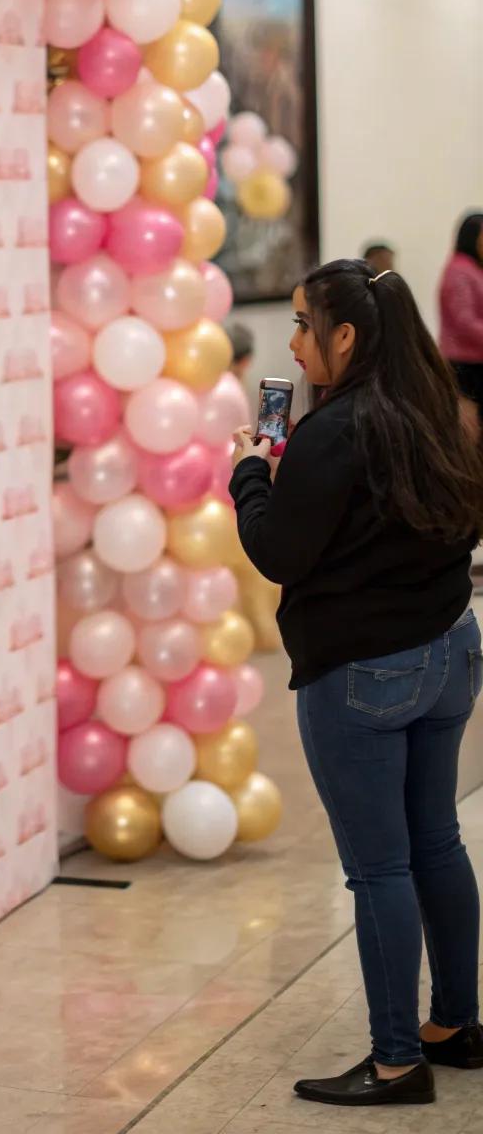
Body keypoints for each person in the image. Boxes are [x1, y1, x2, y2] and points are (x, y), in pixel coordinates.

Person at [230, 259, 483, 1108]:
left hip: (365, 675)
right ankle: (454, 1024)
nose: (293, 344)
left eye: (304, 326)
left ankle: (396, 1060)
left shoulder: (334, 433)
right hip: (451, 650)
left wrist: (252, 472)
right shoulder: (433, 408)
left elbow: (277, 552)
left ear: (346, 336)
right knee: (436, 841)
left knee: (380, 869)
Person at [439, 211, 483, 434]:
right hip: (465, 362)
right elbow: (464, 322)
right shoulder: (459, 271)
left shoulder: (473, 269)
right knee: (470, 427)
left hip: (475, 358)